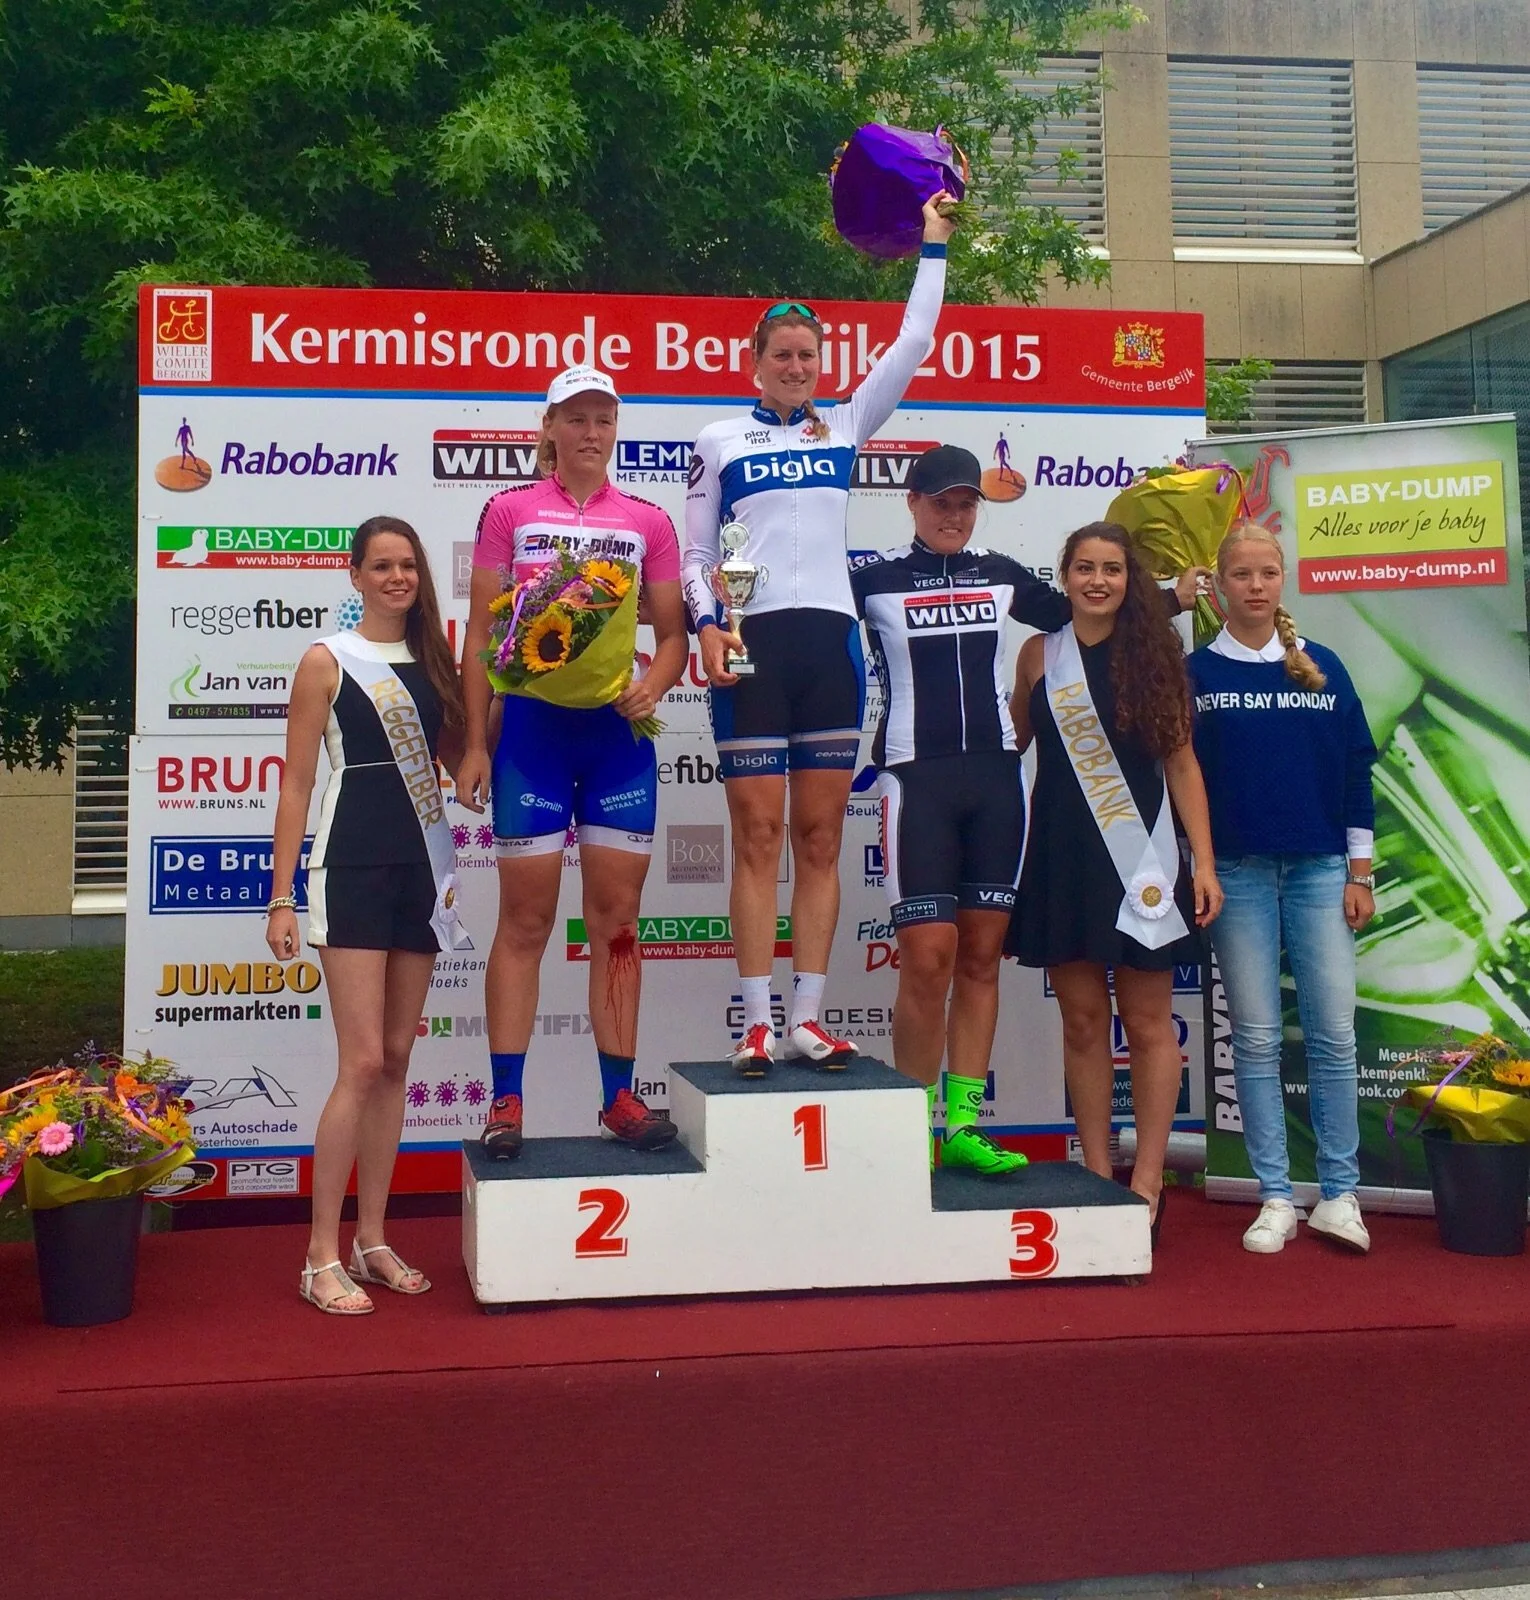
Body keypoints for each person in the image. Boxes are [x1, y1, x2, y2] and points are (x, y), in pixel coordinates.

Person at [854, 450, 1202, 1176]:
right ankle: (912, 1129)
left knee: (982, 957)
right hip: (915, 782)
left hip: (995, 783)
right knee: (927, 958)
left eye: (965, 503)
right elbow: (805, 622)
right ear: (912, 502)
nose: (953, 515)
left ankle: (962, 1127)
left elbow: (1092, 610)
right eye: (940, 502)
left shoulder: (1001, 572)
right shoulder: (873, 578)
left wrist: (1175, 596)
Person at [682, 193, 958, 1075]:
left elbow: (913, 341)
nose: (796, 366)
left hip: (832, 649)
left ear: (820, 364)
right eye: (782, 355)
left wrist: (933, 242)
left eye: (808, 355)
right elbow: (697, 554)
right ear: (755, 363)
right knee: (757, 837)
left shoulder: (844, 423)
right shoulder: (718, 439)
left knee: (820, 839)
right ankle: (756, 1022)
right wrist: (706, 626)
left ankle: (808, 1017)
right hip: (753, 648)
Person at [456, 367, 689, 1158]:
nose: (592, 432)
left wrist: (655, 684)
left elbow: (673, 635)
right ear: (550, 427)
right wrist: (475, 744)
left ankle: (619, 1098)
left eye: (604, 419)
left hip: (618, 741)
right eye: (578, 418)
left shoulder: (647, 520)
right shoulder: (511, 510)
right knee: (525, 921)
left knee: (617, 924)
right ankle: (506, 1101)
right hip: (533, 737)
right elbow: (480, 637)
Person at [267, 515, 467, 1315]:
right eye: (381, 565)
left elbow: (464, 761)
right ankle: (319, 1254)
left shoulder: (438, 662)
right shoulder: (327, 659)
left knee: (395, 1058)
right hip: (350, 867)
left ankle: (372, 1239)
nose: (396, 577)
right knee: (359, 1063)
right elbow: (295, 784)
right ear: (354, 576)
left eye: (407, 565)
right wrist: (281, 895)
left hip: (421, 872)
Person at [1007, 522, 1223, 1236]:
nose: (1097, 581)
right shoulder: (1038, 655)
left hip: (1143, 864)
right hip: (1062, 857)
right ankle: (1098, 1174)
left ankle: (1148, 1182)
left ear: (1131, 582)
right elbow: (1014, 744)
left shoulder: (1155, 656)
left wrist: (1204, 862)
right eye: (1084, 568)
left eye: (1112, 569)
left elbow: (1182, 764)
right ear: (1064, 576)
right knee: (1081, 1021)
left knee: (1149, 1022)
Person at [1187, 521, 1378, 1255]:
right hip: (1237, 875)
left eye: (1267, 573)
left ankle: (1339, 1194)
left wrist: (1360, 871)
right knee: (1258, 1038)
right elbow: (1182, 778)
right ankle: (1275, 1195)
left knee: (1333, 1037)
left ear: (1283, 580)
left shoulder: (1323, 667)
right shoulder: (1197, 674)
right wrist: (1201, 865)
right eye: (1241, 574)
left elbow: (1356, 772)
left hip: (1322, 872)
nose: (1256, 586)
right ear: (1219, 585)